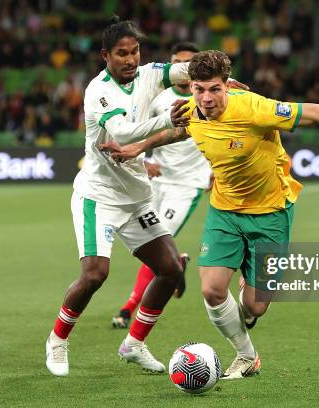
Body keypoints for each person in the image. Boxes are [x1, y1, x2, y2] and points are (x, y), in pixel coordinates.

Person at [100, 50, 319, 379]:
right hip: (225, 211)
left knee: (254, 306)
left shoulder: (255, 108)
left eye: (214, 89)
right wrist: (136, 147)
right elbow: (179, 130)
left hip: (270, 213)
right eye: (199, 89)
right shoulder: (191, 109)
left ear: (227, 85)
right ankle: (246, 356)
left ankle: (250, 302)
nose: (206, 98)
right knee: (212, 290)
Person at [45, 19, 247, 377]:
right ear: (105, 55)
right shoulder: (98, 92)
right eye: (122, 53)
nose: (130, 59)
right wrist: (166, 119)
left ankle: (134, 343)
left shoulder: (151, 73)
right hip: (99, 197)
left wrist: (218, 82)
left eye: (135, 51)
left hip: (138, 197)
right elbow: (121, 132)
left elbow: (187, 70)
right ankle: (58, 340)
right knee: (95, 275)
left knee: (170, 269)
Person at [111, 42, 213, 329]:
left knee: (156, 240)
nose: (183, 67)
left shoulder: (208, 99)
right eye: (178, 62)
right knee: (140, 238)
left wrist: (216, 169)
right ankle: (176, 262)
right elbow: (133, 130)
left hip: (189, 185)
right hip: (157, 182)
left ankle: (129, 308)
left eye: (189, 62)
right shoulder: (158, 97)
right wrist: (143, 161)